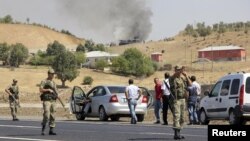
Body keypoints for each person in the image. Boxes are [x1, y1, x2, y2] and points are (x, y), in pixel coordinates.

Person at [169, 65, 192, 140]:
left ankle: (179, 132)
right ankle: (176, 134)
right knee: (177, 116)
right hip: (176, 100)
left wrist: (186, 76)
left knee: (182, 117)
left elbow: (190, 84)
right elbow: (175, 75)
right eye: (178, 70)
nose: (179, 71)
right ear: (175, 70)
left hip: (183, 99)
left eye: (180, 69)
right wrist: (181, 70)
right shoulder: (172, 78)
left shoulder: (182, 78)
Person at [39, 68, 58, 135]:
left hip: (53, 100)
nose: (53, 75)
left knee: (53, 115)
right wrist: (48, 90)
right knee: (46, 114)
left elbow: (56, 91)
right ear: (48, 74)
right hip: (46, 100)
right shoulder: (44, 81)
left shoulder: (53, 83)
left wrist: (57, 94)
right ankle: (43, 129)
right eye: (52, 74)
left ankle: (51, 130)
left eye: (53, 74)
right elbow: (40, 90)